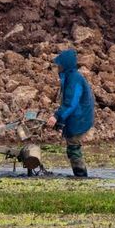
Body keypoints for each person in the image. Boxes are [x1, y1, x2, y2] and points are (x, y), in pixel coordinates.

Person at [46, 49, 95, 177]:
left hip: (79, 118)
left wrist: (57, 116)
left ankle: (81, 177)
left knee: (73, 147)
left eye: (59, 65)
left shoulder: (74, 79)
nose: (57, 68)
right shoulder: (70, 76)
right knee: (72, 146)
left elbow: (71, 103)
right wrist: (61, 122)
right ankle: (80, 175)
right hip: (76, 117)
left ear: (65, 65)